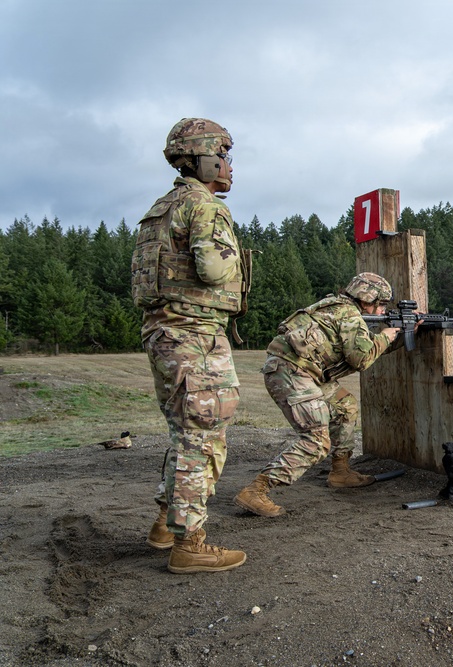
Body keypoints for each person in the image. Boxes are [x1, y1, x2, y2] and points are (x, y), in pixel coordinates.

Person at [131, 118, 251, 573]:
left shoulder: (160, 209)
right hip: (194, 334)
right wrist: (235, 257)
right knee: (202, 437)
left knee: (187, 433)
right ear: (203, 159)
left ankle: (166, 525)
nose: (230, 166)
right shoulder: (204, 205)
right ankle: (190, 544)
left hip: (164, 332)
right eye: (224, 155)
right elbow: (213, 270)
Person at [234, 273, 404, 517]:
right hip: (292, 373)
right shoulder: (349, 315)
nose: (382, 310)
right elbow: (362, 359)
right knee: (316, 440)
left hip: (298, 370)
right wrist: (386, 335)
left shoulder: (335, 306)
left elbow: (364, 349)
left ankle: (340, 472)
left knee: (345, 406)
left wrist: (396, 336)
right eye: (381, 304)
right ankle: (257, 490)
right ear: (367, 299)